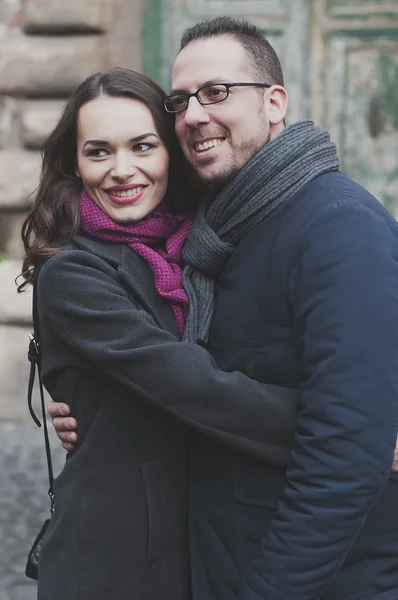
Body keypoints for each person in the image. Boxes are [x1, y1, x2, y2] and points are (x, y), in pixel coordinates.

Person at [51, 16, 398, 600]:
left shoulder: (337, 226)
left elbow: (341, 452)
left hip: (316, 578)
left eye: (217, 92)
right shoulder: (212, 237)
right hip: (210, 561)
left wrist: (360, 435)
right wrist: (98, 407)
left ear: (274, 102)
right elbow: (189, 377)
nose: (194, 114)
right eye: (182, 100)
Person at [19, 66, 301, 600]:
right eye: (98, 152)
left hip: (201, 535)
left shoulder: (202, 247)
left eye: (143, 146)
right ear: (75, 165)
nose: (122, 170)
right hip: (118, 558)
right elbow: (191, 384)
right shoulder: (73, 274)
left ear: (172, 152)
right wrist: (348, 435)